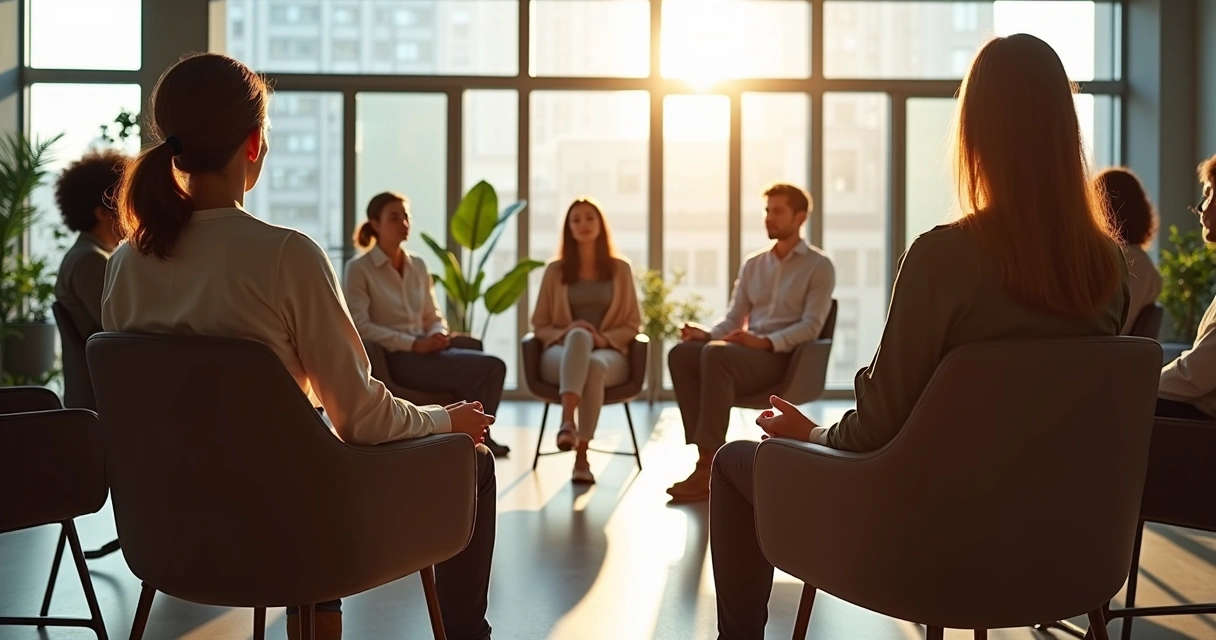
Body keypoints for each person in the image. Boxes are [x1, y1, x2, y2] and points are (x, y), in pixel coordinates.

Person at [709, 34, 1130, 639]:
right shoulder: (1109, 269)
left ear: (977, 135)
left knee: (732, 464)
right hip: (1068, 553)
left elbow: (878, 426)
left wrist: (813, 432)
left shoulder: (944, 257)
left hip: (927, 551)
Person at [101, 53, 496, 640]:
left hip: (166, 535)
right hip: (289, 533)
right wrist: (445, 419)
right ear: (254, 144)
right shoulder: (285, 256)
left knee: (301, 459)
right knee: (474, 462)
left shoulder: (127, 263)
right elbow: (360, 419)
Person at [666, 183, 835, 503]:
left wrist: (765, 342)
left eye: (778, 211)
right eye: (767, 210)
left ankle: (707, 468)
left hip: (784, 359)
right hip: (743, 355)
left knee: (718, 357)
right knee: (683, 353)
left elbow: (811, 327)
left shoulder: (819, 266)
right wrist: (706, 334)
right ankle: (705, 455)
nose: (769, 217)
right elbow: (734, 320)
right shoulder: (754, 264)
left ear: (800, 217)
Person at [344, 191, 511, 458]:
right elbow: (361, 327)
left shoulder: (418, 265)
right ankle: (475, 437)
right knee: (490, 367)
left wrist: (437, 334)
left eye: (406, 216)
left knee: (490, 366)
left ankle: (473, 436)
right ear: (375, 224)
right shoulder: (359, 269)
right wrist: (413, 344)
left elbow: (433, 315)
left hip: (428, 353)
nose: (404, 223)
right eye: (394, 217)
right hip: (395, 358)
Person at [531, 198, 642, 484]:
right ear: (568, 228)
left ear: (600, 224)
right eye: (576, 219)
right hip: (560, 353)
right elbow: (539, 325)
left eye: (589, 218)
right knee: (579, 336)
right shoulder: (554, 271)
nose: (583, 224)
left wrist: (602, 338)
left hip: (608, 353)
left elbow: (632, 324)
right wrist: (568, 332)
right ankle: (573, 433)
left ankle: (576, 442)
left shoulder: (621, 269)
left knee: (592, 364)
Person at [1157, 152, 1216, 420]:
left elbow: (1197, 374)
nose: (1201, 207)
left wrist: (1138, 386)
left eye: (1209, 193)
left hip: (1197, 427)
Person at [54, 148, 127, 338]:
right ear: (103, 212)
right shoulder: (90, 259)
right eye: (126, 205)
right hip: (108, 366)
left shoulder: (85, 253)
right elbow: (118, 326)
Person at [1094, 167, 1163, 334]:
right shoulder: (1146, 266)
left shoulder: (1116, 259)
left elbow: (1099, 326)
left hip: (1097, 353)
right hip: (1117, 355)